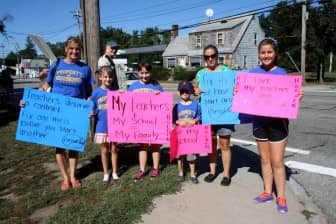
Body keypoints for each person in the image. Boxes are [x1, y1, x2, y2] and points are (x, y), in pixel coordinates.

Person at [249, 38, 304, 213]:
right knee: (264, 160)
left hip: (278, 124)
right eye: (263, 52)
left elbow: (289, 99)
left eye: (269, 52)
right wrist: (239, 91)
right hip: (259, 123)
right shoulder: (252, 73)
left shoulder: (282, 74)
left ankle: (281, 196)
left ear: (275, 54)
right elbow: (246, 95)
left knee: (277, 162)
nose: (266, 55)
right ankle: (267, 191)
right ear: (259, 54)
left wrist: (297, 97)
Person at [42, 36, 95, 190]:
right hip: (57, 111)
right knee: (59, 147)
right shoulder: (56, 65)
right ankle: (65, 178)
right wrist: (32, 100)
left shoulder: (85, 68)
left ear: (81, 51)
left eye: (77, 49)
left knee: (73, 146)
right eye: (71, 48)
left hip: (76, 112)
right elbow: (46, 84)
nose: (74, 51)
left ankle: (73, 176)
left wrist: (90, 106)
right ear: (66, 49)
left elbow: (89, 93)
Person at [193, 44, 234, 186]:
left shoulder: (226, 71)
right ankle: (212, 171)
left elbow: (235, 87)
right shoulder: (201, 73)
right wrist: (196, 90)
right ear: (204, 58)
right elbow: (194, 87)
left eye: (212, 56)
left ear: (217, 56)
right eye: (207, 57)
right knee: (210, 144)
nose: (210, 59)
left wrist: (235, 90)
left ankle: (227, 174)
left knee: (225, 144)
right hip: (208, 114)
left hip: (224, 114)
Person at [128, 62, 163, 181]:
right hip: (140, 121)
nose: (144, 75)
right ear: (138, 72)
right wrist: (123, 95)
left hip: (154, 120)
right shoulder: (133, 86)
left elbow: (164, 103)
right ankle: (142, 170)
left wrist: (159, 95)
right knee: (142, 146)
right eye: (142, 72)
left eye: (147, 72)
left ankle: (155, 168)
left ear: (151, 72)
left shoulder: (156, 85)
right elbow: (126, 102)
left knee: (155, 145)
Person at [90, 66, 119, 183]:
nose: (108, 79)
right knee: (104, 150)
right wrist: (91, 113)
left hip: (115, 126)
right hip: (102, 126)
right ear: (100, 77)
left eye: (110, 77)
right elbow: (92, 108)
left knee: (114, 149)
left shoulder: (116, 91)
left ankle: (115, 171)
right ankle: (106, 173)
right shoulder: (96, 93)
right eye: (105, 77)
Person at [173, 80, 201, 184]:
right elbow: (173, 120)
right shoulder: (176, 106)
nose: (184, 93)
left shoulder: (196, 105)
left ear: (191, 92)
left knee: (191, 156)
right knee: (180, 156)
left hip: (191, 136)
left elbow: (199, 116)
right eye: (182, 91)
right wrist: (178, 122)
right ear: (179, 92)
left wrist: (195, 121)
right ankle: (180, 172)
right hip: (180, 135)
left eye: (187, 91)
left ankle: (193, 174)